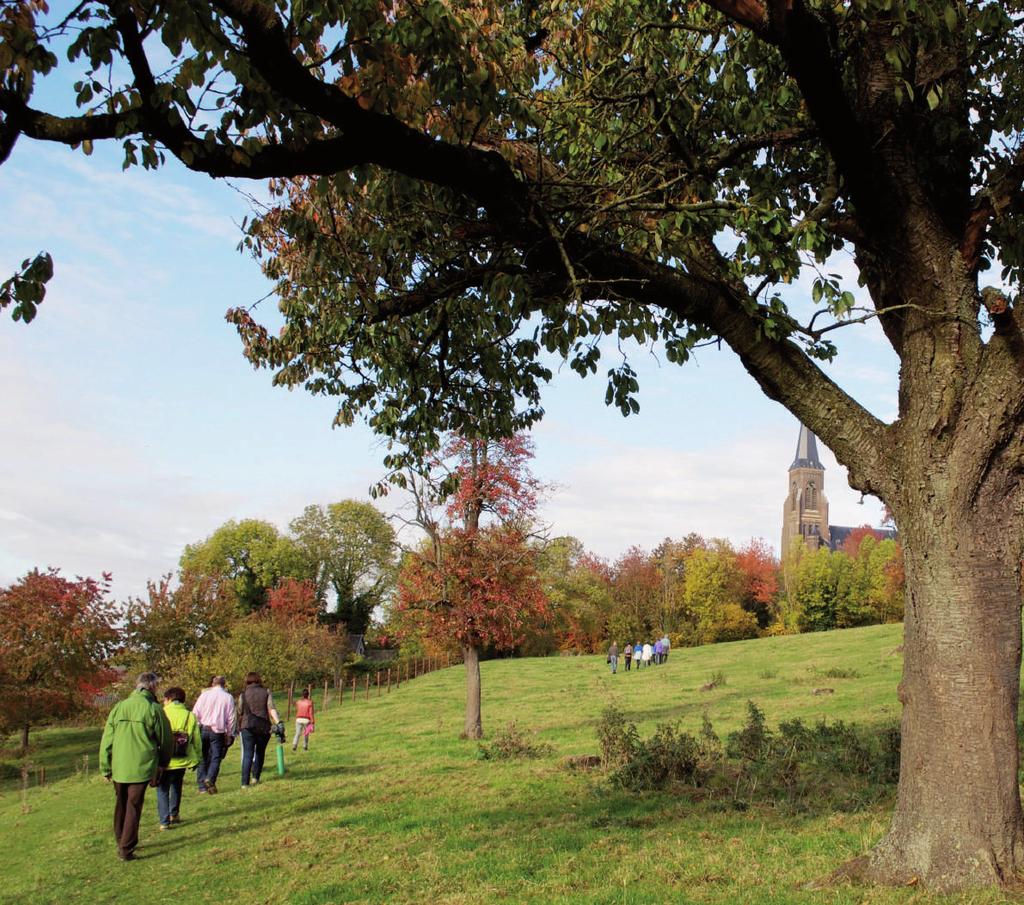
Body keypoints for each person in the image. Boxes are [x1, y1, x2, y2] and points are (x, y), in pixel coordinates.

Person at [98, 672, 173, 861]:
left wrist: (105, 766)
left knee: (121, 804)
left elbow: (107, 739)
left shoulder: (119, 707)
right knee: (133, 805)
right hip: (142, 765)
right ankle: (126, 848)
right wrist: (163, 763)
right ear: (153, 687)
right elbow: (165, 740)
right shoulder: (154, 709)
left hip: (120, 766)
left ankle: (120, 840)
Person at [158, 687, 201, 829]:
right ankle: (174, 814)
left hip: (164, 758)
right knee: (177, 785)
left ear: (169, 699)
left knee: (162, 789)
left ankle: (164, 821)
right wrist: (198, 758)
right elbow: (196, 739)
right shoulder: (190, 715)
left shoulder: (161, 713)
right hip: (182, 757)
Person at [192, 675, 236, 794]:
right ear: (224, 684)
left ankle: (202, 787)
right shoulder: (228, 697)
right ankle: (210, 778)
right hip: (218, 731)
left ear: (212, 684)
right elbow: (231, 717)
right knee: (216, 757)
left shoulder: (204, 695)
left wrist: (197, 725)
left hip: (203, 728)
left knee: (203, 757)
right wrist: (230, 733)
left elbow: (195, 712)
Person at [238, 672, 281, 788]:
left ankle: (244, 783)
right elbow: (271, 708)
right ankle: (255, 778)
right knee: (260, 753)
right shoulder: (266, 692)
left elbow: (240, 711)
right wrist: (278, 722)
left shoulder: (243, 694)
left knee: (248, 754)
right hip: (263, 726)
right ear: (259, 680)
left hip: (247, 726)